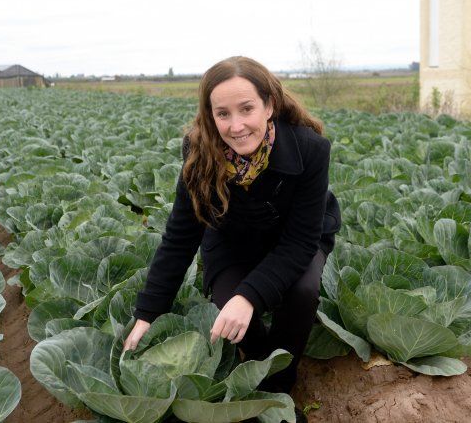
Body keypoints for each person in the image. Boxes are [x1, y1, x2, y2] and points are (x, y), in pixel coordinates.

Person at [123, 56, 340, 398]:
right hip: (230, 239)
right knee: (231, 310)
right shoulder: (200, 151)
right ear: (211, 116)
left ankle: (280, 386)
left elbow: (300, 243)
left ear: (269, 105)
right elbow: (180, 238)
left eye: (246, 109)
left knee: (302, 292)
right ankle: (257, 374)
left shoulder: (310, 149)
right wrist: (148, 313)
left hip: (293, 239)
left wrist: (250, 294)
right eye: (223, 114)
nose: (236, 126)